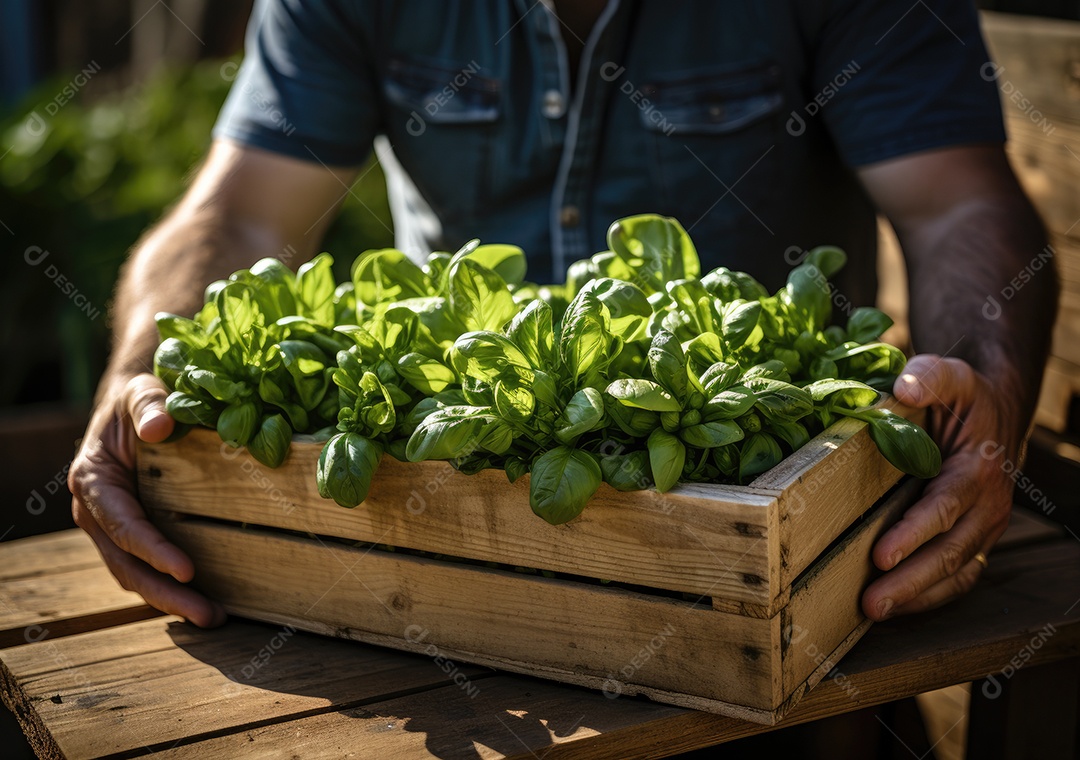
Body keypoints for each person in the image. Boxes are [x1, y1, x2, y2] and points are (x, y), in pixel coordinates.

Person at [70, 0, 1057, 632]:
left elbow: (958, 204)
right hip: (427, 524)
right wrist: (135, 378)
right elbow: (237, 214)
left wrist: (988, 391)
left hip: (753, 539)